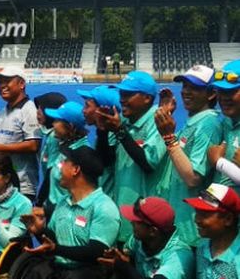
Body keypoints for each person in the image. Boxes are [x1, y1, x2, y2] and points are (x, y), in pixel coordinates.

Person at [21, 146, 121, 279]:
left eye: (65, 162)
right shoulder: (63, 202)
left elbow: (96, 251)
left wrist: (56, 249)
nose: (60, 167)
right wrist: (40, 231)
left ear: (76, 170)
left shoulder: (104, 207)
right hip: (59, 270)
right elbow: (55, 242)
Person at [154, 65, 222, 246]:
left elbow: (193, 178)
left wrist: (169, 137)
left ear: (211, 94)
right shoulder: (193, 122)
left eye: (195, 88)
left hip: (191, 232)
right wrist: (166, 116)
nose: (186, 92)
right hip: (180, 227)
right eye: (185, 86)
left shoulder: (209, 124)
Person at [96, 71, 166, 243]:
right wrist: (103, 132)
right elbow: (106, 162)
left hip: (146, 221)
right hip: (123, 215)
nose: (122, 99)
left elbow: (149, 163)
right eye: (121, 94)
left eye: (128, 94)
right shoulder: (125, 122)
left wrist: (120, 132)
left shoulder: (158, 120)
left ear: (147, 98)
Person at [0, 66, 41, 201]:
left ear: (22, 84)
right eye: (0, 82)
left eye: (7, 81)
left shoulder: (29, 110)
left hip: (22, 185)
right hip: (2, 184)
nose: (2, 86)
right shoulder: (3, 111)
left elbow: (33, 145)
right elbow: (2, 140)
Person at [98, 197, 194, 279]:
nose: (132, 222)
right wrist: (121, 260)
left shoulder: (180, 255)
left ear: (153, 231)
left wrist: (123, 267)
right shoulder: (139, 239)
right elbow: (128, 260)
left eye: (137, 221)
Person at [184, 183, 240, 279]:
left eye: (204, 215)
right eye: (197, 213)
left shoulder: (237, 257)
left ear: (228, 219)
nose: (197, 220)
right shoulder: (202, 248)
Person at [43, 102, 90, 211]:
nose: (53, 124)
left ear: (70, 126)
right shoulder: (64, 148)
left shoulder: (83, 154)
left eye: (57, 121)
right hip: (54, 213)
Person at [79, 85, 121, 198]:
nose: (83, 111)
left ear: (102, 109)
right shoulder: (104, 134)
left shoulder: (112, 135)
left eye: (87, 106)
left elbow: (105, 162)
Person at [208, 60, 240, 192]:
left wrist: (219, 162)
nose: (224, 98)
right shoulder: (226, 122)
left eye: (232, 92)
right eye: (221, 91)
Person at [33, 92, 67, 208]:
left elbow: (50, 172)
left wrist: (39, 201)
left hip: (55, 196)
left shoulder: (54, 137)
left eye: (41, 109)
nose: (37, 112)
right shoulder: (49, 134)